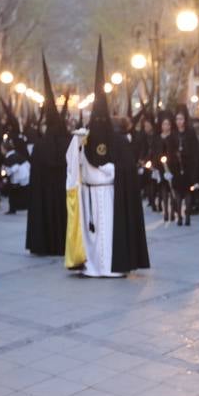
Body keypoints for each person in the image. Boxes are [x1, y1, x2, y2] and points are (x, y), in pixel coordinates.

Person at [71, 40, 150, 278]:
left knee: (110, 231)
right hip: (90, 195)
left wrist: (111, 170)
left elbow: (126, 169)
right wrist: (77, 146)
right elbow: (74, 166)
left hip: (111, 194)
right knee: (93, 233)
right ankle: (94, 265)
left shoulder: (120, 142)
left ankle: (113, 265)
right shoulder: (84, 139)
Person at [26, 56, 69, 257]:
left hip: (45, 193)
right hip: (62, 190)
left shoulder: (40, 145)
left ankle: (44, 243)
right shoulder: (68, 142)